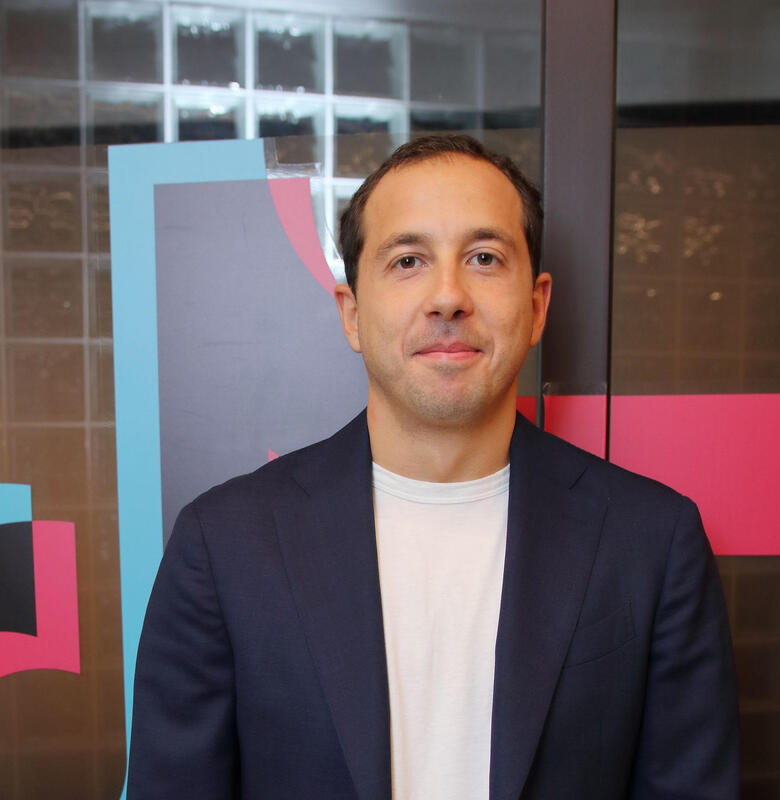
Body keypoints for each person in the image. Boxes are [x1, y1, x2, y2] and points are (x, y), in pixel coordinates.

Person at [128, 134, 739, 799]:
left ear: (537, 307)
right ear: (352, 315)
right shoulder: (223, 545)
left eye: (483, 258)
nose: (448, 297)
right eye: (408, 260)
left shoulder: (653, 542)